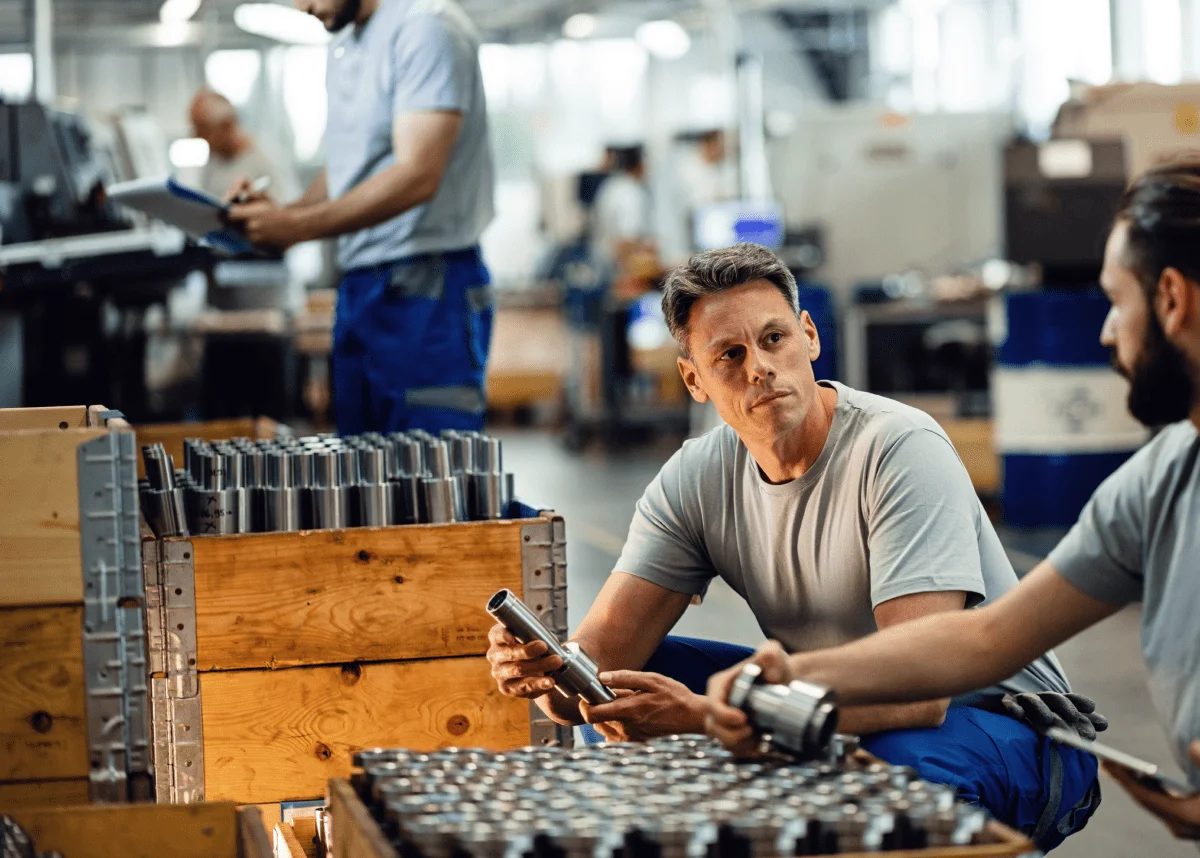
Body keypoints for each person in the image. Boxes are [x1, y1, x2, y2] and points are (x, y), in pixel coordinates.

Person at [487, 242, 1102, 851]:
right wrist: (546, 673)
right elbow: (598, 669)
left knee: (882, 773)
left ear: (809, 337)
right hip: (840, 709)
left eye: (774, 339)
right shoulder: (696, 477)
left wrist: (710, 717)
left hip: (1007, 730)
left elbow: (920, 695)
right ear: (693, 379)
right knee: (630, 687)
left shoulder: (897, 449)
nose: (758, 366)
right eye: (729, 354)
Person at [704, 162, 1200, 843]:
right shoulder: (1161, 481)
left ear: (1172, 301)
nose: (1107, 333)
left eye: (1118, 302)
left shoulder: (896, 441)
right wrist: (793, 676)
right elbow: (988, 637)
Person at [226, 0, 495, 435]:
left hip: (428, 289)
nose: (302, 7)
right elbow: (351, 168)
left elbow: (417, 174)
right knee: (362, 470)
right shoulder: (349, 42)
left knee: (432, 473)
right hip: (361, 286)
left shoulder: (427, 28)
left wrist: (298, 229)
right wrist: (280, 215)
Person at [188, 89, 300, 203]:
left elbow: (283, 210)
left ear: (226, 126)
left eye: (202, 129)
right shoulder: (213, 160)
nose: (196, 136)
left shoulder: (267, 158)